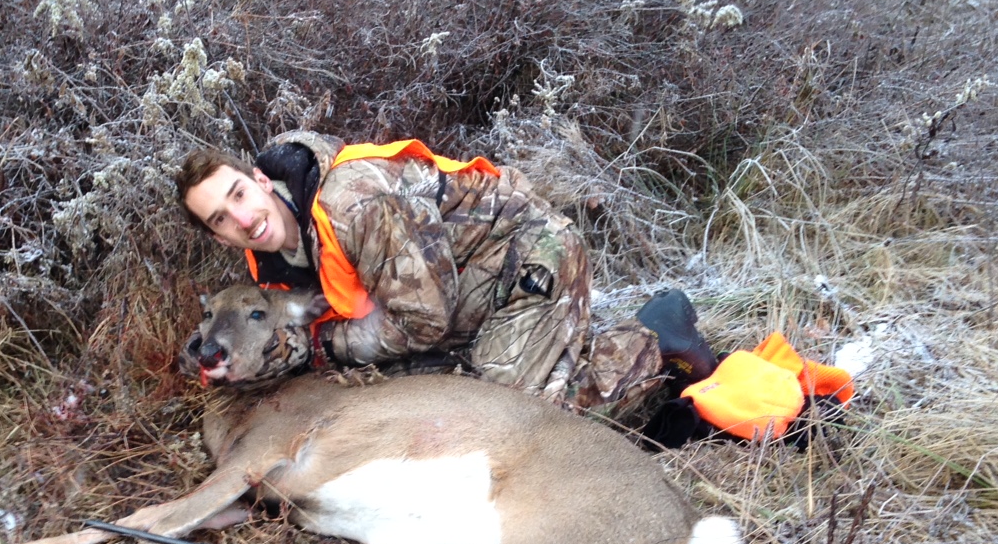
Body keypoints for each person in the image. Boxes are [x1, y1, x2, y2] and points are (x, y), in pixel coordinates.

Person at [175, 129, 715, 408]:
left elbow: (419, 325)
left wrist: (322, 346)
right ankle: (554, 348)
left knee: (511, 422)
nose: (243, 218)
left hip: (523, 258)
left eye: (239, 194)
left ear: (260, 181)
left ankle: (653, 338)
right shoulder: (270, 262)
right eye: (222, 218)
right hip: (452, 294)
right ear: (216, 236)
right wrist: (225, 360)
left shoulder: (352, 204)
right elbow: (292, 330)